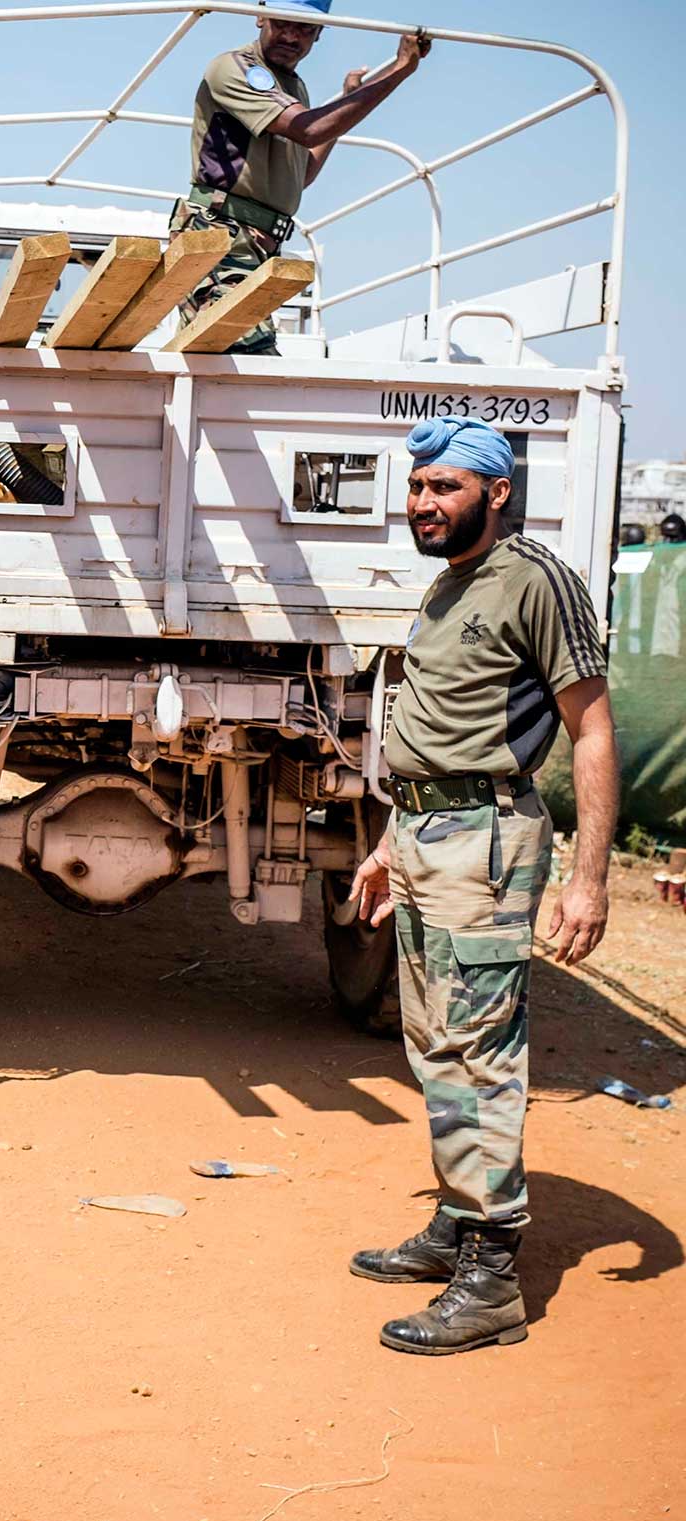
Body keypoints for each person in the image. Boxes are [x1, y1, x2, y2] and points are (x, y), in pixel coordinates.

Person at [347, 416, 617, 1355]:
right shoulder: (451, 583)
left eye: (444, 488)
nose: (422, 503)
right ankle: (460, 1224)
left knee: (479, 1050)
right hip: (426, 834)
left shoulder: (535, 579)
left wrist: (588, 879)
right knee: (433, 1043)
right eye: (417, 487)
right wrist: (390, 836)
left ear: (495, 493)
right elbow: (435, 728)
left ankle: (492, 1281)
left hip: (486, 844)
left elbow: (591, 729)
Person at [177, 0, 429, 354]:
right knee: (248, 354)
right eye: (283, 23)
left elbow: (301, 172)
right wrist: (399, 71)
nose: (292, 36)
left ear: (320, 33)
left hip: (260, 242)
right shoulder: (233, 68)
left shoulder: (293, 87)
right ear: (260, 16)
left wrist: (347, 101)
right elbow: (310, 130)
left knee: (239, 359)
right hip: (222, 234)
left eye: (305, 28)